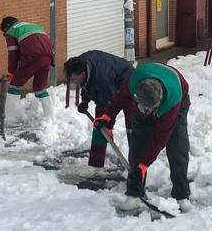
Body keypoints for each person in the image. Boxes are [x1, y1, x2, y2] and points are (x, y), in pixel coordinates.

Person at [95, 63, 192, 213]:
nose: (148, 112)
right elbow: (120, 98)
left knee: (177, 147)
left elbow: (159, 139)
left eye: (151, 109)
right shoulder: (133, 81)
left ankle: (182, 195)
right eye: (145, 107)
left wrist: (144, 164)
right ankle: (134, 194)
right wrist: (107, 116)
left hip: (178, 102)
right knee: (137, 145)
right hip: (145, 95)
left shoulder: (171, 102)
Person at [64, 51, 133, 168]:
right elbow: (87, 83)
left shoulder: (102, 77)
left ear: (82, 74)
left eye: (74, 79)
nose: (73, 82)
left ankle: (137, 165)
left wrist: (108, 123)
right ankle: (96, 164)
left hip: (129, 82)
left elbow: (110, 101)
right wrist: (85, 100)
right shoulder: (79, 64)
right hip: (108, 86)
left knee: (131, 125)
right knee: (99, 125)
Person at [1, 16, 55, 117]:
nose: (5, 33)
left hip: (32, 56)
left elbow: (13, 54)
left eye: (4, 31)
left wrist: (11, 72)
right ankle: (50, 116)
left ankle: (9, 116)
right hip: (48, 56)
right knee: (40, 87)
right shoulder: (34, 26)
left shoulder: (11, 31)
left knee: (14, 85)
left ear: (7, 26)